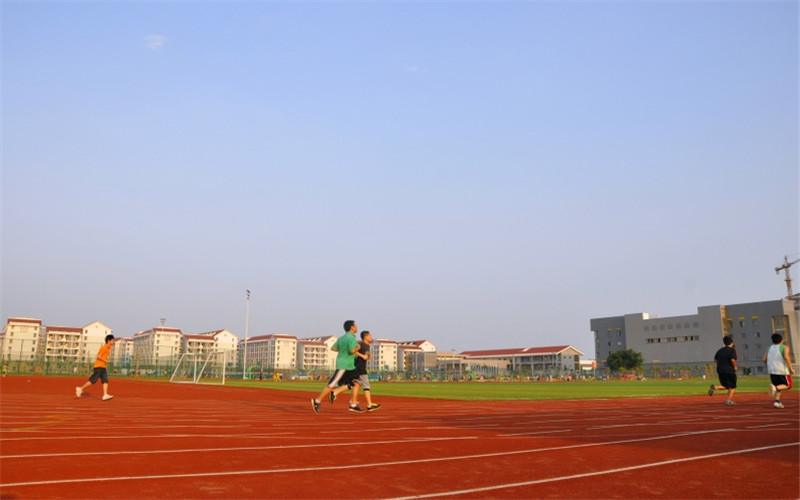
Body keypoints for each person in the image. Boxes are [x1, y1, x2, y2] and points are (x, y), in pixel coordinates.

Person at [311, 320, 363, 413]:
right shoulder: (351, 338)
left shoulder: (342, 338)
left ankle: (353, 404)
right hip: (344, 365)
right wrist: (358, 347)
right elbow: (352, 351)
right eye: (355, 325)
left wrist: (343, 349)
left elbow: (334, 348)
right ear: (352, 327)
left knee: (356, 382)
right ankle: (317, 400)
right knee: (332, 385)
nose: (356, 327)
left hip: (349, 366)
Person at [332, 331, 381, 412]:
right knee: (366, 387)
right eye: (370, 335)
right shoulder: (360, 344)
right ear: (366, 336)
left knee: (354, 385)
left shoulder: (367, 346)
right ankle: (369, 405)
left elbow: (365, 356)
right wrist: (362, 355)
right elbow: (353, 351)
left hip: (358, 368)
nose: (371, 337)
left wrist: (368, 356)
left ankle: (339, 394)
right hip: (360, 368)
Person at [75, 334, 115, 401]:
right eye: (113, 340)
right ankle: (80, 388)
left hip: (103, 367)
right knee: (92, 381)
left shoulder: (109, 348)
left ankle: (105, 394)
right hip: (98, 367)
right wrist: (105, 360)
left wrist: (105, 362)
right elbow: (98, 356)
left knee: (105, 380)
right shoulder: (104, 347)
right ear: (109, 341)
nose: (113, 341)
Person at [763, 333, 795, 409]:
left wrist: (770, 365)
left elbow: (764, 359)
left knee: (779, 386)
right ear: (781, 340)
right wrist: (791, 368)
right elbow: (786, 357)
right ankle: (775, 388)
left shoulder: (769, 348)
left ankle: (777, 402)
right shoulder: (784, 347)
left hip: (772, 370)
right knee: (788, 385)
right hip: (782, 369)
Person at [708, 335, 737, 405]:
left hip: (720, 370)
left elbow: (715, 360)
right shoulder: (732, 350)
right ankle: (728, 400)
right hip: (729, 370)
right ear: (731, 343)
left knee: (726, 385)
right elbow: (732, 360)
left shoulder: (720, 350)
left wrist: (722, 363)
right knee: (732, 386)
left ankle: (715, 387)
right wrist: (735, 366)